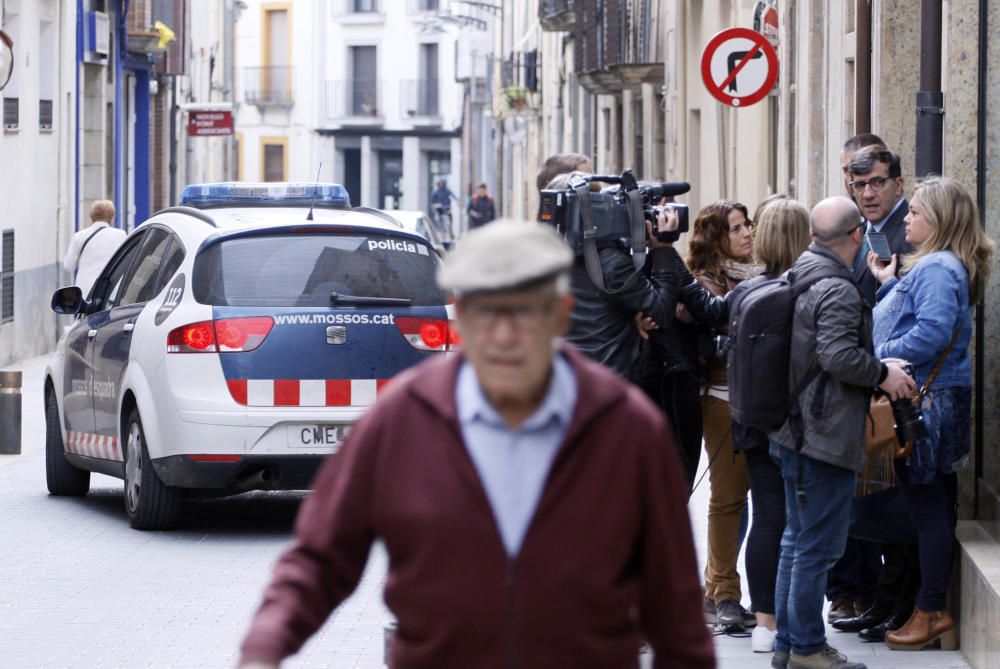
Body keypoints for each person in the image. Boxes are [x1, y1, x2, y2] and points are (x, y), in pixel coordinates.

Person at [237, 220, 715, 669]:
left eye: (525, 313)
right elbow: (321, 561)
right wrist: (264, 647)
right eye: (488, 314)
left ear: (559, 315)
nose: (505, 336)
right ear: (461, 317)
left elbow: (674, 609)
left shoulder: (623, 428)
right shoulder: (402, 420)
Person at [769, 196, 915, 669]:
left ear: (814, 236)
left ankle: (789, 645)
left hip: (795, 431)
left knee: (797, 541)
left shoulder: (802, 271)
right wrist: (882, 374)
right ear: (858, 236)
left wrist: (875, 364)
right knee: (815, 548)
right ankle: (807, 648)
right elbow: (835, 355)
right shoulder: (837, 288)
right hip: (822, 435)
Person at [867, 177, 994, 651]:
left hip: (927, 402)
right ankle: (930, 607)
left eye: (915, 212)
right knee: (933, 507)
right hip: (933, 397)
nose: (906, 219)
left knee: (928, 511)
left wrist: (878, 359)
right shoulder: (938, 266)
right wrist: (890, 285)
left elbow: (931, 333)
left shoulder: (940, 267)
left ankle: (932, 609)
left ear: (938, 220)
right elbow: (918, 317)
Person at [727, 196, 811, 652]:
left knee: (766, 518)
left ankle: (764, 621)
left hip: (750, 422)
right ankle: (795, 618)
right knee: (799, 524)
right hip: (793, 425)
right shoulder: (802, 291)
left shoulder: (743, 291)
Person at [681, 201, 758, 632]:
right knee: (728, 499)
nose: (747, 232)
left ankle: (717, 588)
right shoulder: (705, 286)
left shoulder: (754, 273)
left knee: (741, 500)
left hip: (756, 400)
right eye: (736, 227)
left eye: (747, 224)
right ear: (716, 238)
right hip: (722, 398)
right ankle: (726, 594)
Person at [62, 199, 127, 297]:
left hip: (85, 290)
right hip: (111, 290)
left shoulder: (79, 236)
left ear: (91, 217)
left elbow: (68, 266)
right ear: (112, 217)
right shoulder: (120, 235)